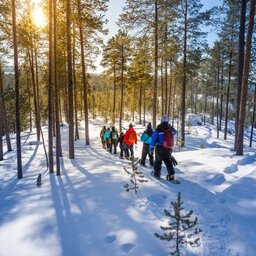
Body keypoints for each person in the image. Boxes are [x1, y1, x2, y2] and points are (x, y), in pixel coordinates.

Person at [149, 114, 177, 180]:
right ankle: (171, 175)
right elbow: (175, 132)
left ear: (161, 120)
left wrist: (150, 148)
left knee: (158, 161)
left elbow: (153, 139)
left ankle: (157, 173)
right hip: (168, 148)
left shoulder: (158, 128)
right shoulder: (170, 128)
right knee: (168, 161)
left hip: (160, 147)